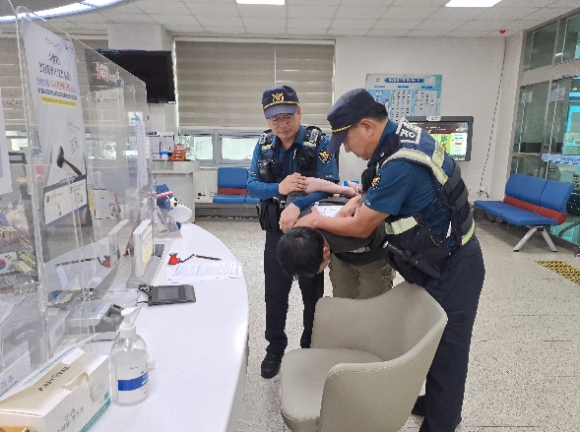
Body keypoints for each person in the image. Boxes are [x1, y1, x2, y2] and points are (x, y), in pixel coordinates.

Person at [294, 88, 485, 432]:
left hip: (455, 266)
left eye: (347, 140)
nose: (347, 149)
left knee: (447, 351)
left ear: (367, 126)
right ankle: (432, 400)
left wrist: (317, 221)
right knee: (424, 340)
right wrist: (359, 200)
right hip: (431, 259)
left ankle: (442, 421)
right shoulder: (400, 138)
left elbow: (362, 227)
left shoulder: (401, 164)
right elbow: (376, 185)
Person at [247, 85, 339, 379]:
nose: (282, 124)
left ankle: (309, 346)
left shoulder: (319, 142)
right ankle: (275, 348)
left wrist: (296, 203)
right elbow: (251, 186)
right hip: (276, 229)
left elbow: (331, 185)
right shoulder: (263, 144)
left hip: (310, 229)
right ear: (267, 120)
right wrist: (280, 187)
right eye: (275, 119)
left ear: (299, 112)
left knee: (312, 293)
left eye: (287, 117)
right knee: (275, 294)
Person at [277, 202, 395, 299]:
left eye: (318, 270)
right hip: (342, 259)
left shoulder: (355, 236)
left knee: (373, 303)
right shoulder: (297, 220)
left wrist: (357, 198)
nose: (315, 273)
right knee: (342, 299)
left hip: (374, 258)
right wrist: (295, 204)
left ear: (326, 252)